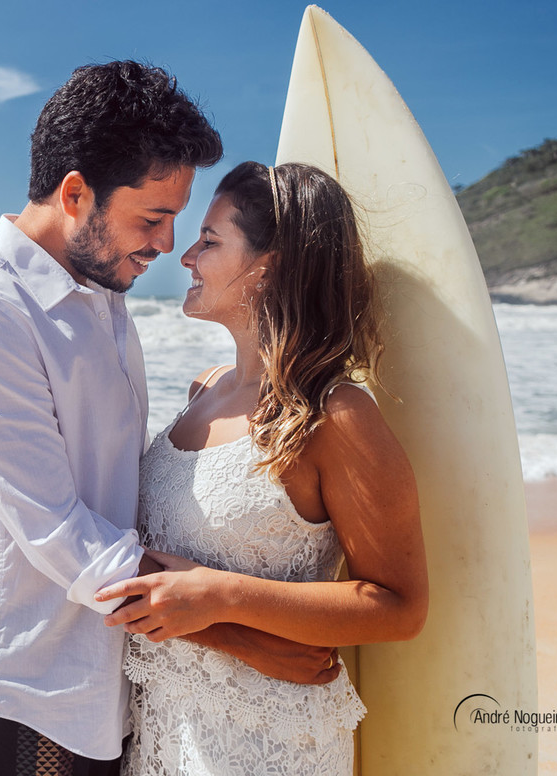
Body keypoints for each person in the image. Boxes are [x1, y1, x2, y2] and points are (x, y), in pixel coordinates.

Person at [0, 65, 338, 776]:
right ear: (75, 194)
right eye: (151, 218)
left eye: (178, 219)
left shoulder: (101, 301)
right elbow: (59, 529)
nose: (168, 245)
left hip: (103, 684)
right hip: (17, 687)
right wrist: (242, 633)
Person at [95, 161, 429, 775]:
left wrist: (224, 596)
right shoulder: (205, 389)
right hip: (161, 729)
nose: (184, 256)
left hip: (268, 744)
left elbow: (399, 606)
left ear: (270, 265)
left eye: (210, 241)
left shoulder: (335, 415)